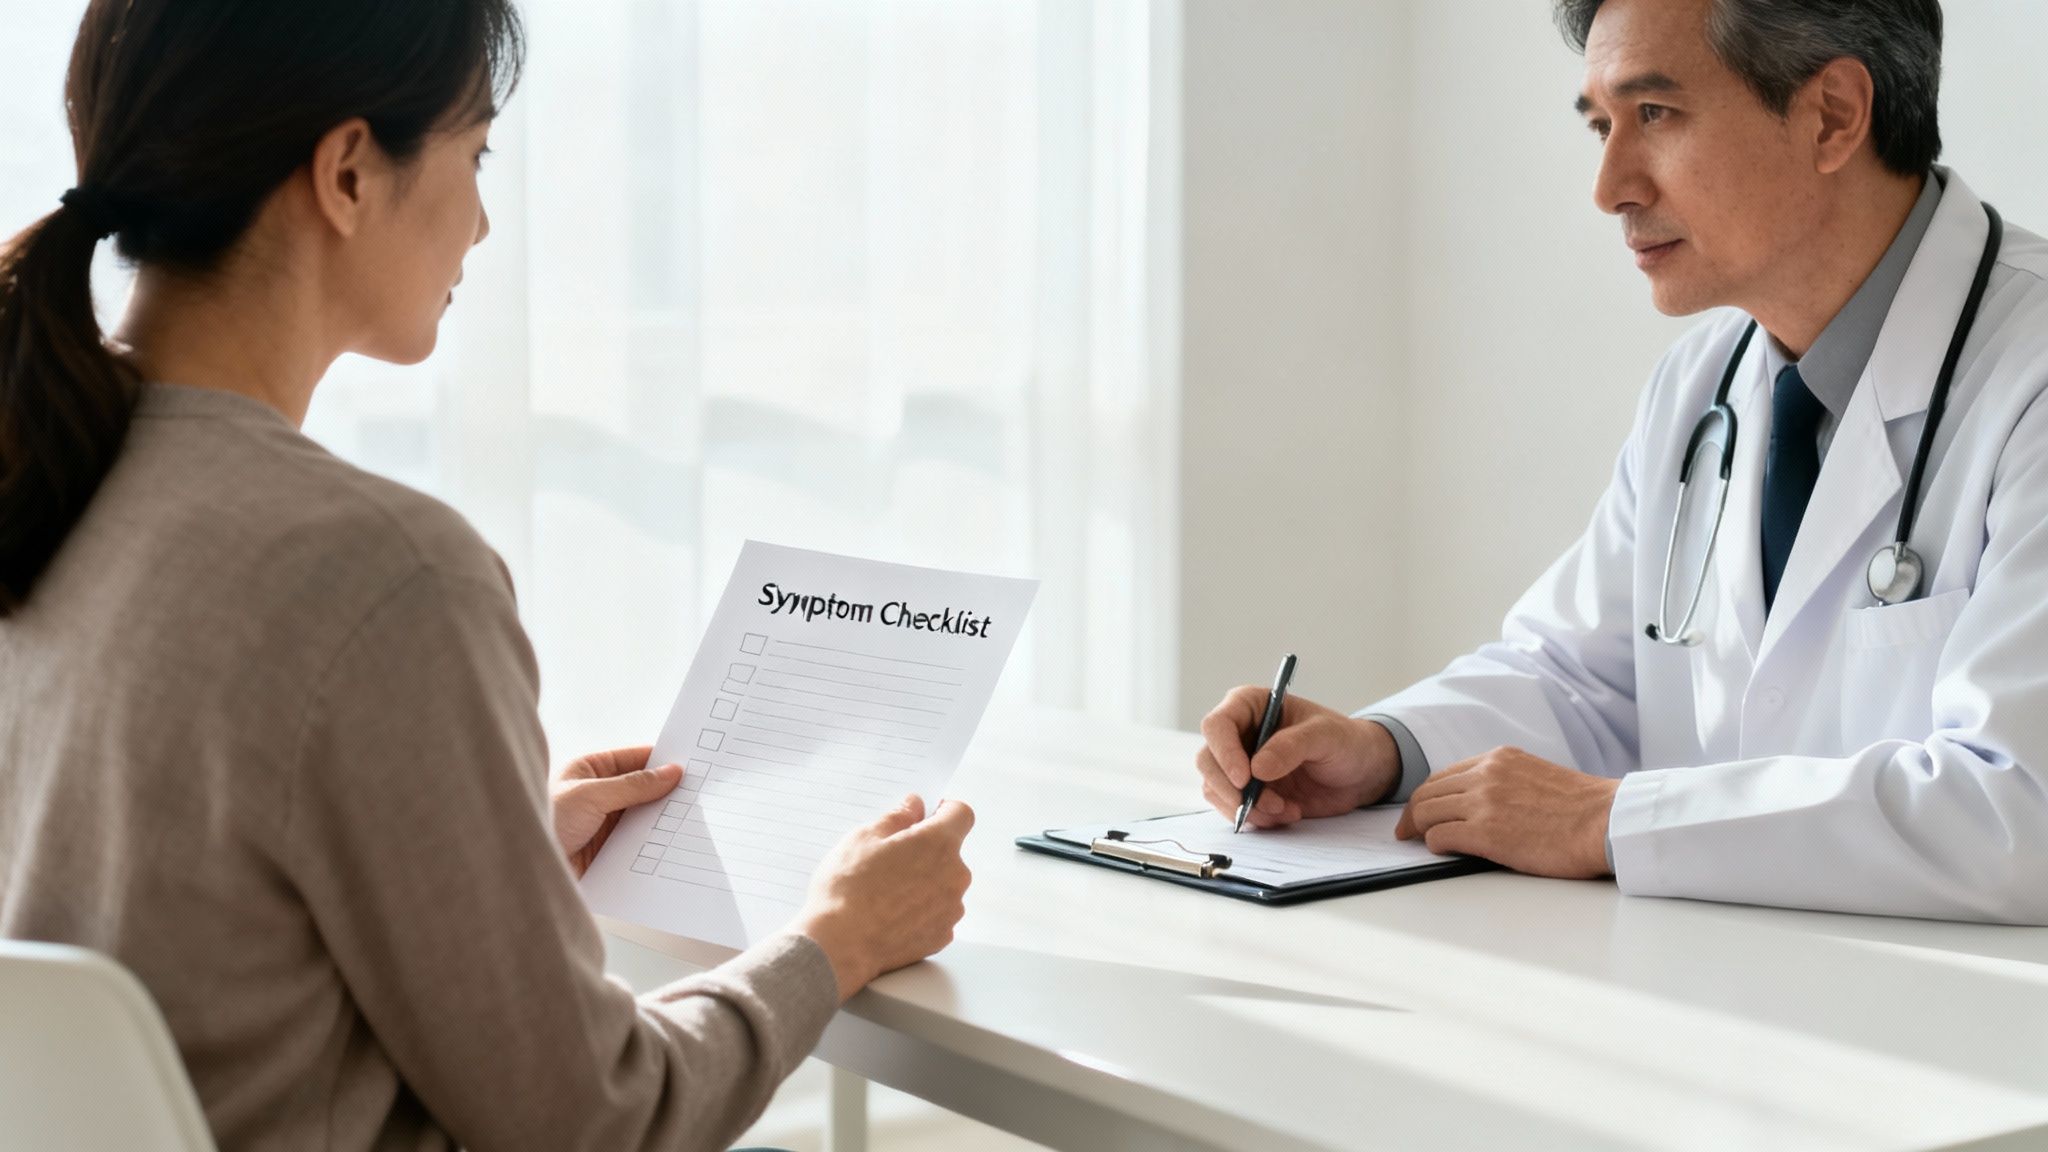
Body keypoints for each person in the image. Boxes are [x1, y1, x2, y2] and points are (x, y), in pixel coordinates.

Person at [0, 2, 973, 1150]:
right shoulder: (379, 575)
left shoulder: (46, 474)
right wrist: (834, 941)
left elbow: (172, 904)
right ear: (350, 174)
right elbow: (597, 1121)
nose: (482, 220)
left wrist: (488, 851)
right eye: (475, 156)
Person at [1196, 0, 2048, 924]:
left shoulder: (2028, 377)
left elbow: (2020, 812)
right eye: (1602, 125)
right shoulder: (1701, 391)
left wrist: (1615, 822)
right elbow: (1582, 680)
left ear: (1834, 115)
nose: (1609, 187)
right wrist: (1385, 749)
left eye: (1655, 116)